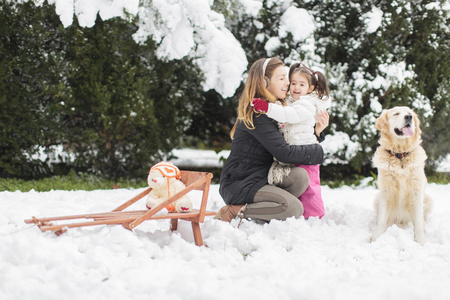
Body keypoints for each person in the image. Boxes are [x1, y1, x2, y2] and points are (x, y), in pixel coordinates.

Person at [215, 57, 329, 223]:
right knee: (294, 208)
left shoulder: (276, 109)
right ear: (264, 83)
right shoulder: (258, 113)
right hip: (242, 182)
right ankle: (235, 211)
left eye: (287, 79)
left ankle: (266, 212)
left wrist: (316, 133)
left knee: (300, 177)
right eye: (281, 78)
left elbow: (291, 138)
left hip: (262, 176)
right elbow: (285, 153)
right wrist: (318, 150)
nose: (288, 84)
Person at [251, 62, 331, 219]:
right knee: (300, 184)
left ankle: (314, 215)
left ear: (311, 88)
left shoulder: (306, 104)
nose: (295, 87)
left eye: (302, 84)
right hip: (297, 151)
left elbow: (289, 114)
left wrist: (267, 108)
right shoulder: (291, 101)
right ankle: (299, 212)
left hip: (304, 152)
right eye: (293, 83)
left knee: (310, 186)